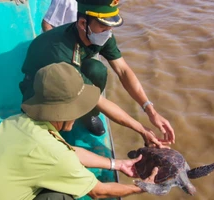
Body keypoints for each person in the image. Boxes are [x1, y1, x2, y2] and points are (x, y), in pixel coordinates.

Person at [0, 62, 158, 200]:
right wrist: (142, 187)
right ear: (63, 111)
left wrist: (116, 164)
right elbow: (98, 191)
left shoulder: (15, 121)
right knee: (61, 196)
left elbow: (67, 151)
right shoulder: (55, 155)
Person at [19, 0, 175, 148]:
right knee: (60, 126)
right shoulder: (61, 50)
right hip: (39, 84)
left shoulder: (99, 34)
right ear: (82, 23)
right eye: (104, 28)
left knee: (97, 69)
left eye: (110, 28)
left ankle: (89, 114)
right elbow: (97, 99)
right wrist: (141, 129)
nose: (108, 33)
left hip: (71, 68)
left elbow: (123, 70)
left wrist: (150, 110)